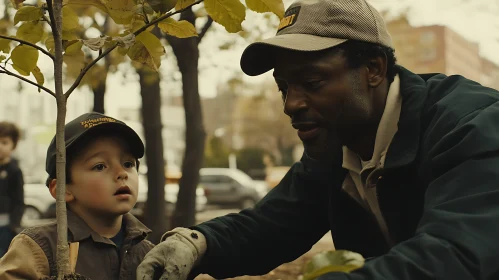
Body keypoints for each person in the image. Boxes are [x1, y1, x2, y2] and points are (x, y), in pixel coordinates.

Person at [137, 0, 499, 279]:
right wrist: (197, 244)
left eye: (312, 83)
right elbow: (271, 226)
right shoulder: (336, 147)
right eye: (284, 87)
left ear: (374, 69)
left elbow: (456, 255)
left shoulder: (470, 126)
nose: (291, 104)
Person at [0, 112, 154, 280]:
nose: (122, 173)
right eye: (100, 166)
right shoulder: (37, 248)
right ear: (62, 189)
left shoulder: (151, 254)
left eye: (128, 164)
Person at [0, 122, 24, 258]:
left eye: (4, 142)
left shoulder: (14, 171)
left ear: (13, 146)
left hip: (5, 227)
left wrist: (14, 226)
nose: (0, 147)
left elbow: (19, 200)